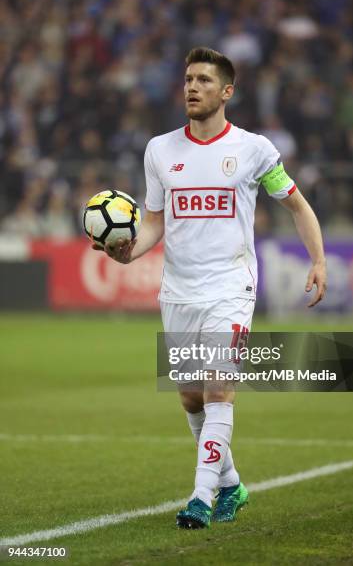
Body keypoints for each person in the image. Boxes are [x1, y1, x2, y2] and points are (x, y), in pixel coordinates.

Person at [92, 47, 327, 529]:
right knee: (191, 398)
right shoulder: (159, 150)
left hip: (231, 287)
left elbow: (298, 206)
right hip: (178, 291)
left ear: (227, 91)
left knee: (220, 387)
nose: (192, 87)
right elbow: (155, 222)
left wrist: (319, 260)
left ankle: (199, 497)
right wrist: (129, 251)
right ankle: (231, 484)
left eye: (202, 79)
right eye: (187, 79)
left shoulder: (254, 150)